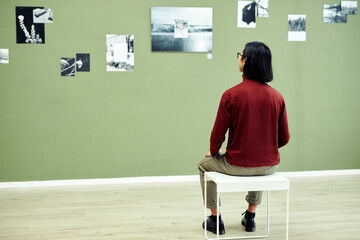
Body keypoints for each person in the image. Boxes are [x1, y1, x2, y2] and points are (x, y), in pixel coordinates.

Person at [198, 41, 290, 235]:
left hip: (237, 165)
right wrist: (267, 149)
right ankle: (250, 216)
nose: (239, 58)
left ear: (245, 61)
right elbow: (284, 138)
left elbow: (217, 136)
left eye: (240, 55)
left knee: (203, 165)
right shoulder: (277, 97)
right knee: (260, 164)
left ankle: (215, 219)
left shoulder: (231, 95)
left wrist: (213, 153)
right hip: (269, 165)